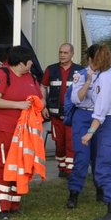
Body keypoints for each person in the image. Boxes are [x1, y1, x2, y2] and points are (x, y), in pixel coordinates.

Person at [0, 46, 43, 219]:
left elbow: (39, 97)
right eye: (30, 60)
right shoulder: (2, 75)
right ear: (22, 61)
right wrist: (18, 105)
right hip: (2, 129)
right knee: (1, 166)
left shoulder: (30, 77)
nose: (32, 63)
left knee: (21, 165)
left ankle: (14, 204)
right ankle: (1, 207)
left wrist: (38, 104)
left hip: (24, 133)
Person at [81, 44, 111, 220]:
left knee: (103, 167)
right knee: (103, 166)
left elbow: (101, 109)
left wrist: (89, 133)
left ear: (93, 60)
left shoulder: (105, 79)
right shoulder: (110, 75)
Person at [64, 44, 101, 209]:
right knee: (82, 157)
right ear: (91, 59)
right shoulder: (80, 75)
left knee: (100, 157)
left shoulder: (107, 75)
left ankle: (101, 189)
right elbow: (76, 99)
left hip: (101, 118)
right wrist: (88, 81)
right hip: (83, 116)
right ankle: (74, 192)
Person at [43, 43, 78, 178]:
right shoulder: (51, 69)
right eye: (60, 52)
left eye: (65, 53)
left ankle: (70, 169)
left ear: (72, 54)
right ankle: (62, 167)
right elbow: (43, 87)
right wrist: (43, 105)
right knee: (59, 142)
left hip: (73, 114)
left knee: (71, 141)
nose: (62, 55)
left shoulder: (80, 71)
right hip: (55, 114)